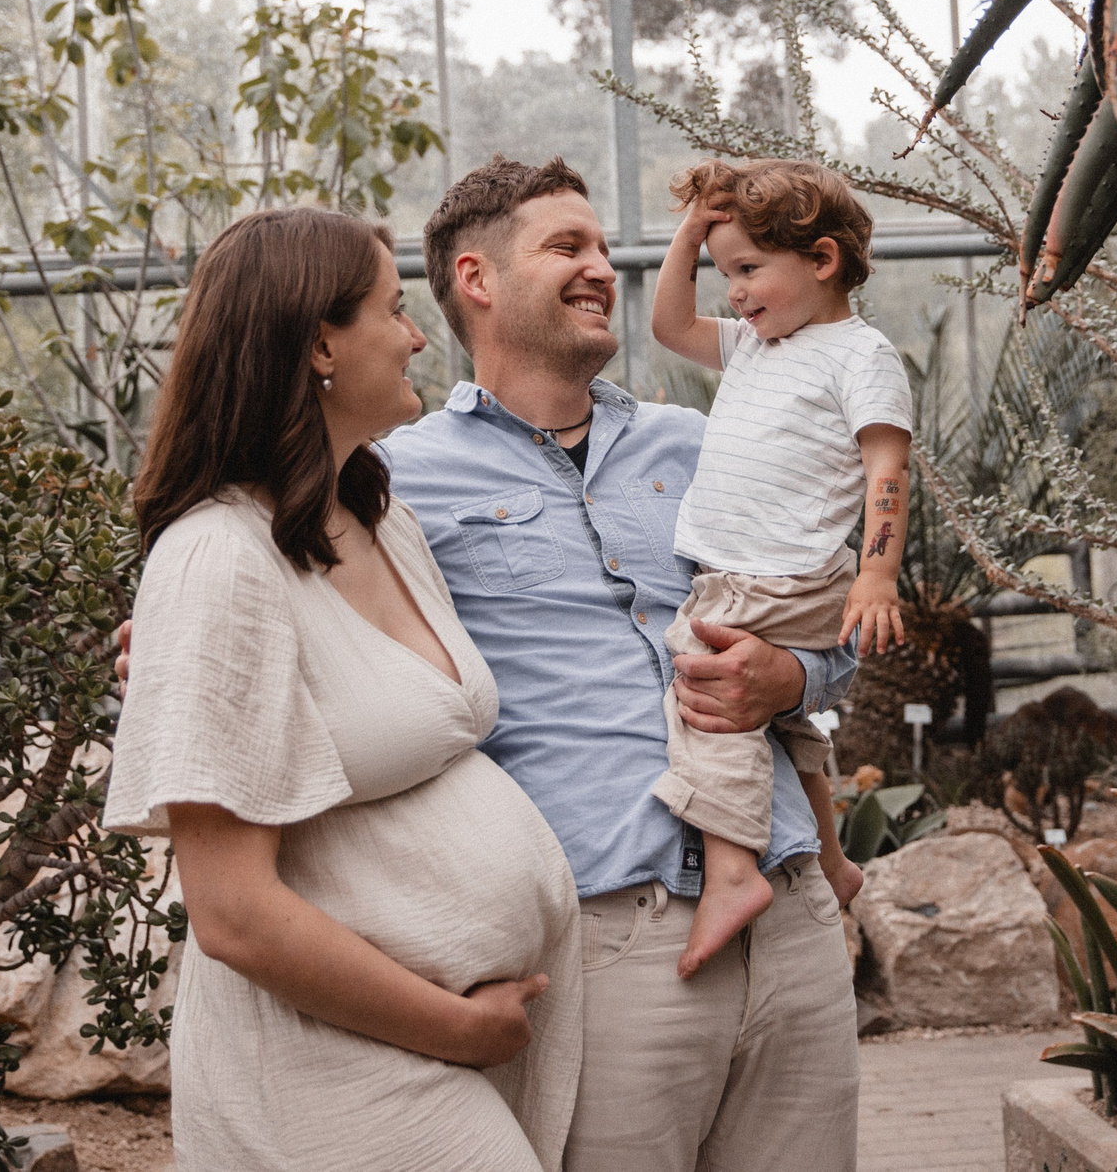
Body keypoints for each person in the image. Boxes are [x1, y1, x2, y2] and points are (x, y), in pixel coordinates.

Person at [384, 156, 862, 1172]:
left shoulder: (704, 441)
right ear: (476, 279)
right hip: (608, 942)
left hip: (791, 921)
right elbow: (269, 594)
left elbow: (839, 616)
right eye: (567, 247)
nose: (601, 267)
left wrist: (794, 679)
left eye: (602, 247)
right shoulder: (394, 479)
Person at [102, 207, 581, 1172]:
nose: (416, 334)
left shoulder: (375, 513)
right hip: (336, 1067)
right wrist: (453, 1028)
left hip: (435, 1045)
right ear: (320, 339)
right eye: (395, 310)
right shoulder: (214, 558)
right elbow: (233, 912)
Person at [645, 157, 914, 978]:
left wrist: (877, 574)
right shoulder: (760, 345)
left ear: (823, 260)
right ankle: (831, 858)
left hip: (773, 575)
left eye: (750, 269)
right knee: (783, 716)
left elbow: (888, 471)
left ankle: (730, 874)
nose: (734, 292)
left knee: (708, 690)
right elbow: (666, 324)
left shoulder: (856, 353)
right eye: (725, 273)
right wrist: (692, 232)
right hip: (764, 573)